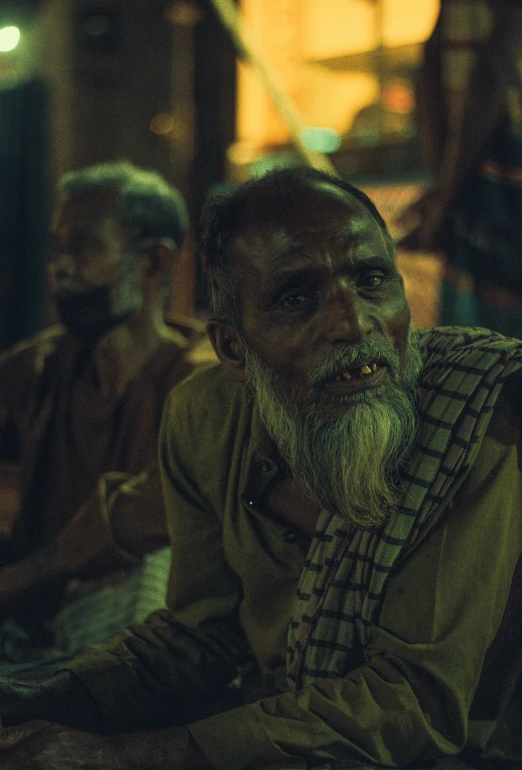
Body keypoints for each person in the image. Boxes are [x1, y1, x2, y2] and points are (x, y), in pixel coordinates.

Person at [0, 166, 520, 769]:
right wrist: (35, 696)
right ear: (233, 348)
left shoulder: (481, 418)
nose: (352, 323)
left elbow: (415, 703)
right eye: (297, 297)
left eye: (373, 280)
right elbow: (197, 640)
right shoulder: (204, 417)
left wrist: (122, 756)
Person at [0, 160, 206, 661]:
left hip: (128, 633)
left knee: (152, 571)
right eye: (58, 247)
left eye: (86, 245)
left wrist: (16, 583)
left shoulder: (205, 382)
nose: (61, 266)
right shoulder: (40, 367)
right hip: (29, 626)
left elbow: (155, 514)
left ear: (155, 262)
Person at [398, 0, 522, 336]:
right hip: (491, 180)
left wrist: (444, 192)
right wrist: (444, 194)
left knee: (481, 357)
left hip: (490, 178)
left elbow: (486, 71)